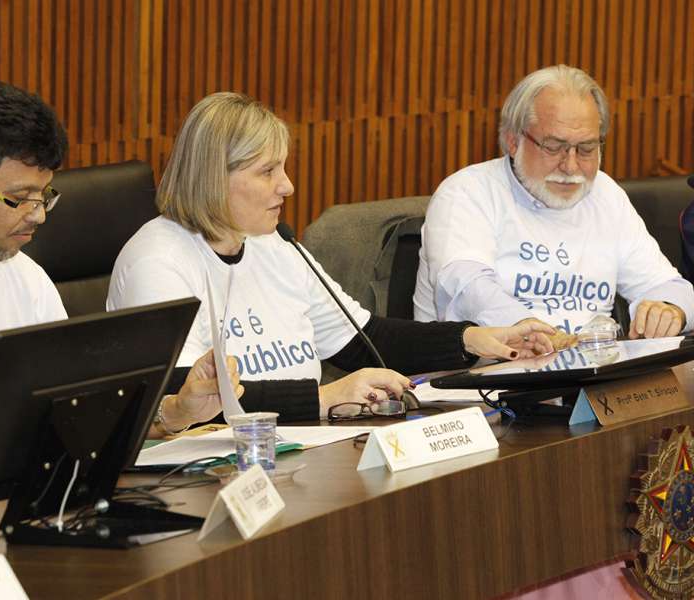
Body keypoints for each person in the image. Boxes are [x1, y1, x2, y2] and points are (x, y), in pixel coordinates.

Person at [107, 92, 555, 430]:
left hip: (302, 451)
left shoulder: (274, 247)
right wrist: (323, 397)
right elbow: (181, 394)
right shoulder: (157, 260)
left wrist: (474, 338)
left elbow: (363, 338)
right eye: (267, 172)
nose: (287, 187)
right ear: (211, 178)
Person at [0, 82, 237, 465]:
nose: (38, 213)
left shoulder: (30, 281)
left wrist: (176, 411)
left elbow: (78, 418)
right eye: (19, 199)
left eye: (45, 195)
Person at [413, 65, 694, 340]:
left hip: (590, 376)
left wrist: (669, 309)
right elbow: (466, 291)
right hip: (482, 378)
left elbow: (670, 286)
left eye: (586, 149)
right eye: (553, 147)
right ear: (513, 140)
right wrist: (535, 332)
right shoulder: (467, 193)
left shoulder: (605, 194)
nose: (570, 166)